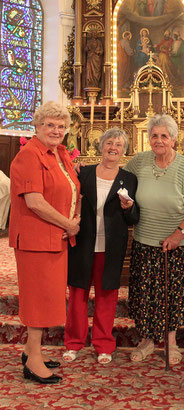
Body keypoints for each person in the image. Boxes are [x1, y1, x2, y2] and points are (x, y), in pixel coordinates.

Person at [9, 101, 81, 384]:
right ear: (37, 127)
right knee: (38, 300)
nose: (56, 130)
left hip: (55, 238)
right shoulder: (29, 155)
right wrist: (69, 224)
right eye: (50, 125)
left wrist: (72, 220)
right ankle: (34, 361)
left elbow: (72, 189)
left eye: (61, 126)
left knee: (48, 297)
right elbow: (35, 202)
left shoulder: (58, 154)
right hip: (36, 239)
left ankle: (31, 351)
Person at [125, 114, 184, 365]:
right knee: (145, 294)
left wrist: (178, 233)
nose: (158, 140)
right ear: (148, 138)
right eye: (154, 135)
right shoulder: (139, 162)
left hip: (176, 246)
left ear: (173, 139)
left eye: (164, 136)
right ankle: (147, 341)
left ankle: (171, 342)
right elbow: (117, 179)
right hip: (144, 241)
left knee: (173, 295)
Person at [63, 128, 139, 364]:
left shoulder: (129, 178)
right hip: (84, 241)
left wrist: (129, 208)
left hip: (111, 245)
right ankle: (73, 343)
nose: (113, 147)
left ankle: (103, 344)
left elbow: (133, 218)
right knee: (78, 294)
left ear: (124, 150)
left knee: (107, 295)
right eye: (109, 142)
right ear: (101, 146)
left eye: (118, 144)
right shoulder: (82, 173)